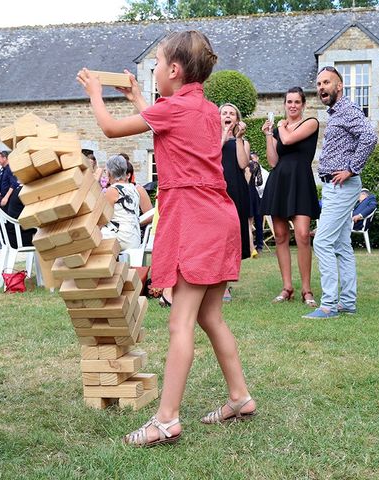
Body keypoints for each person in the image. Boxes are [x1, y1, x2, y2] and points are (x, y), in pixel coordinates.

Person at [77, 29, 255, 447]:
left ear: (174, 70)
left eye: (156, 64)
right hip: (219, 215)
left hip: (194, 218)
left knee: (180, 322)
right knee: (210, 316)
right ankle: (239, 397)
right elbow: (167, 125)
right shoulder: (209, 111)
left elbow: (109, 129)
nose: (153, 70)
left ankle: (166, 420)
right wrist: (140, 96)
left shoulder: (171, 109)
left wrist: (95, 92)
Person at [303, 66, 377, 319]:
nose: (321, 87)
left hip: (342, 185)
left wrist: (351, 168)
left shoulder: (346, 110)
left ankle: (329, 305)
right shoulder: (335, 113)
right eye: (319, 83)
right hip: (336, 185)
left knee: (322, 242)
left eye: (326, 82)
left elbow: (369, 136)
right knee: (342, 245)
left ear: (339, 86)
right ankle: (347, 302)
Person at [260, 87, 321, 307]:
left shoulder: (310, 123)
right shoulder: (279, 129)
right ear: (284, 104)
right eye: (289, 102)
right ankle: (287, 287)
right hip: (280, 181)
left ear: (303, 104)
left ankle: (307, 289)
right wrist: (269, 135)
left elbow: (287, 140)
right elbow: (273, 160)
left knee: (303, 234)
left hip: (301, 181)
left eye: (297, 102)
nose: (292, 105)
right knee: (280, 235)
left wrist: (278, 126)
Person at [220, 103, 251, 301]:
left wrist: (238, 138)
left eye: (232, 113)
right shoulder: (212, 138)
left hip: (236, 190)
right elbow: (213, 153)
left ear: (237, 119)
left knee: (232, 237)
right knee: (217, 236)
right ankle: (217, 284)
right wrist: (224, 133)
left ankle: (226, 285)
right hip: (216, 190)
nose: (228, 115)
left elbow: (242, 164)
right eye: (224, 113)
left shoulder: (243, 141)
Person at [101, 155, 144, 251]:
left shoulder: (113, 190)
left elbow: (104, 217)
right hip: (135, 238)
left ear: (110, 173)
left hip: (120, 236)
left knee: (89, 239)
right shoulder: (134, 188)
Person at [124, 158, 154, 226]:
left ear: (128, 175)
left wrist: (134, 224)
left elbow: (150, 215)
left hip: (136, 230)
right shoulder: (112, 190)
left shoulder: (138, 190)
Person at [246, 152, 263, 257]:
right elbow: (260, 181)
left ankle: (250, 248)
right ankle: (257, 246)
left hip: (244, 193)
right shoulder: (255, 165)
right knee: (254, 222)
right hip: (253, 193)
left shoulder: (239, 164)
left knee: (246, 223)